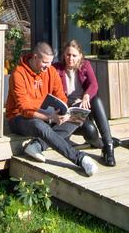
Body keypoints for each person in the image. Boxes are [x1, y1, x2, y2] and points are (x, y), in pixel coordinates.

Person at [6, 41, 97, 177]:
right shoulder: (18, 74)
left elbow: (60, 96)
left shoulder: (51, 71)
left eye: (50, 62)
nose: (48, 66)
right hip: (19, 118)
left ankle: (37, 145)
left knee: (76, 116)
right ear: (35, 57)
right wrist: (49, 118)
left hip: (48, 115)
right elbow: (24, 108)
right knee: (39, 125)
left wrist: (65, 112)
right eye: (44, 62)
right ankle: (80, 159)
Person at [57, 39, 116, 167]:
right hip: (68, 112)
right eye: (68, 55)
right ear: (63, 55)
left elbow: (94, 84)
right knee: (90, 130)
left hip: (84, 108)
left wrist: (86, 95)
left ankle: (109, 148)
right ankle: (105, 143)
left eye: (74, 55)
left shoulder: (85, 65)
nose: (70, 58)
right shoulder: (57, 69)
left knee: (97, 100)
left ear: (80, 56)